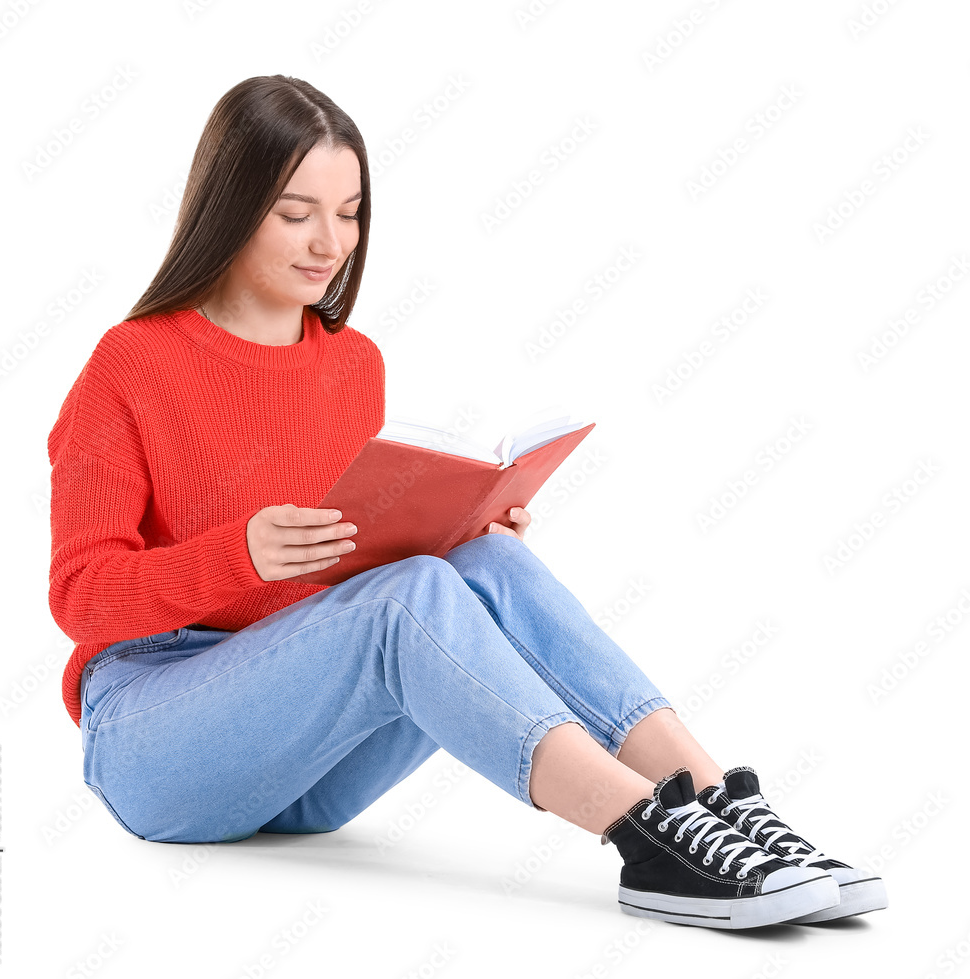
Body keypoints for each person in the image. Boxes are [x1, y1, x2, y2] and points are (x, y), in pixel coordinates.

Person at [47, 74, 887, 931]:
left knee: (485, 558)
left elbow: (352, 577)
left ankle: (722, 806)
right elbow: (78, 596)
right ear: (229, 207)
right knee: (408, 598)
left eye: (351, 212)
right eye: (296, 212)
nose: (329, 241)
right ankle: (648, 833)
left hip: (308, 767)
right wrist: (239, 554)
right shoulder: (130, 363)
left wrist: (454, 525)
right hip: (155, 738)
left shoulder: (353, 365)